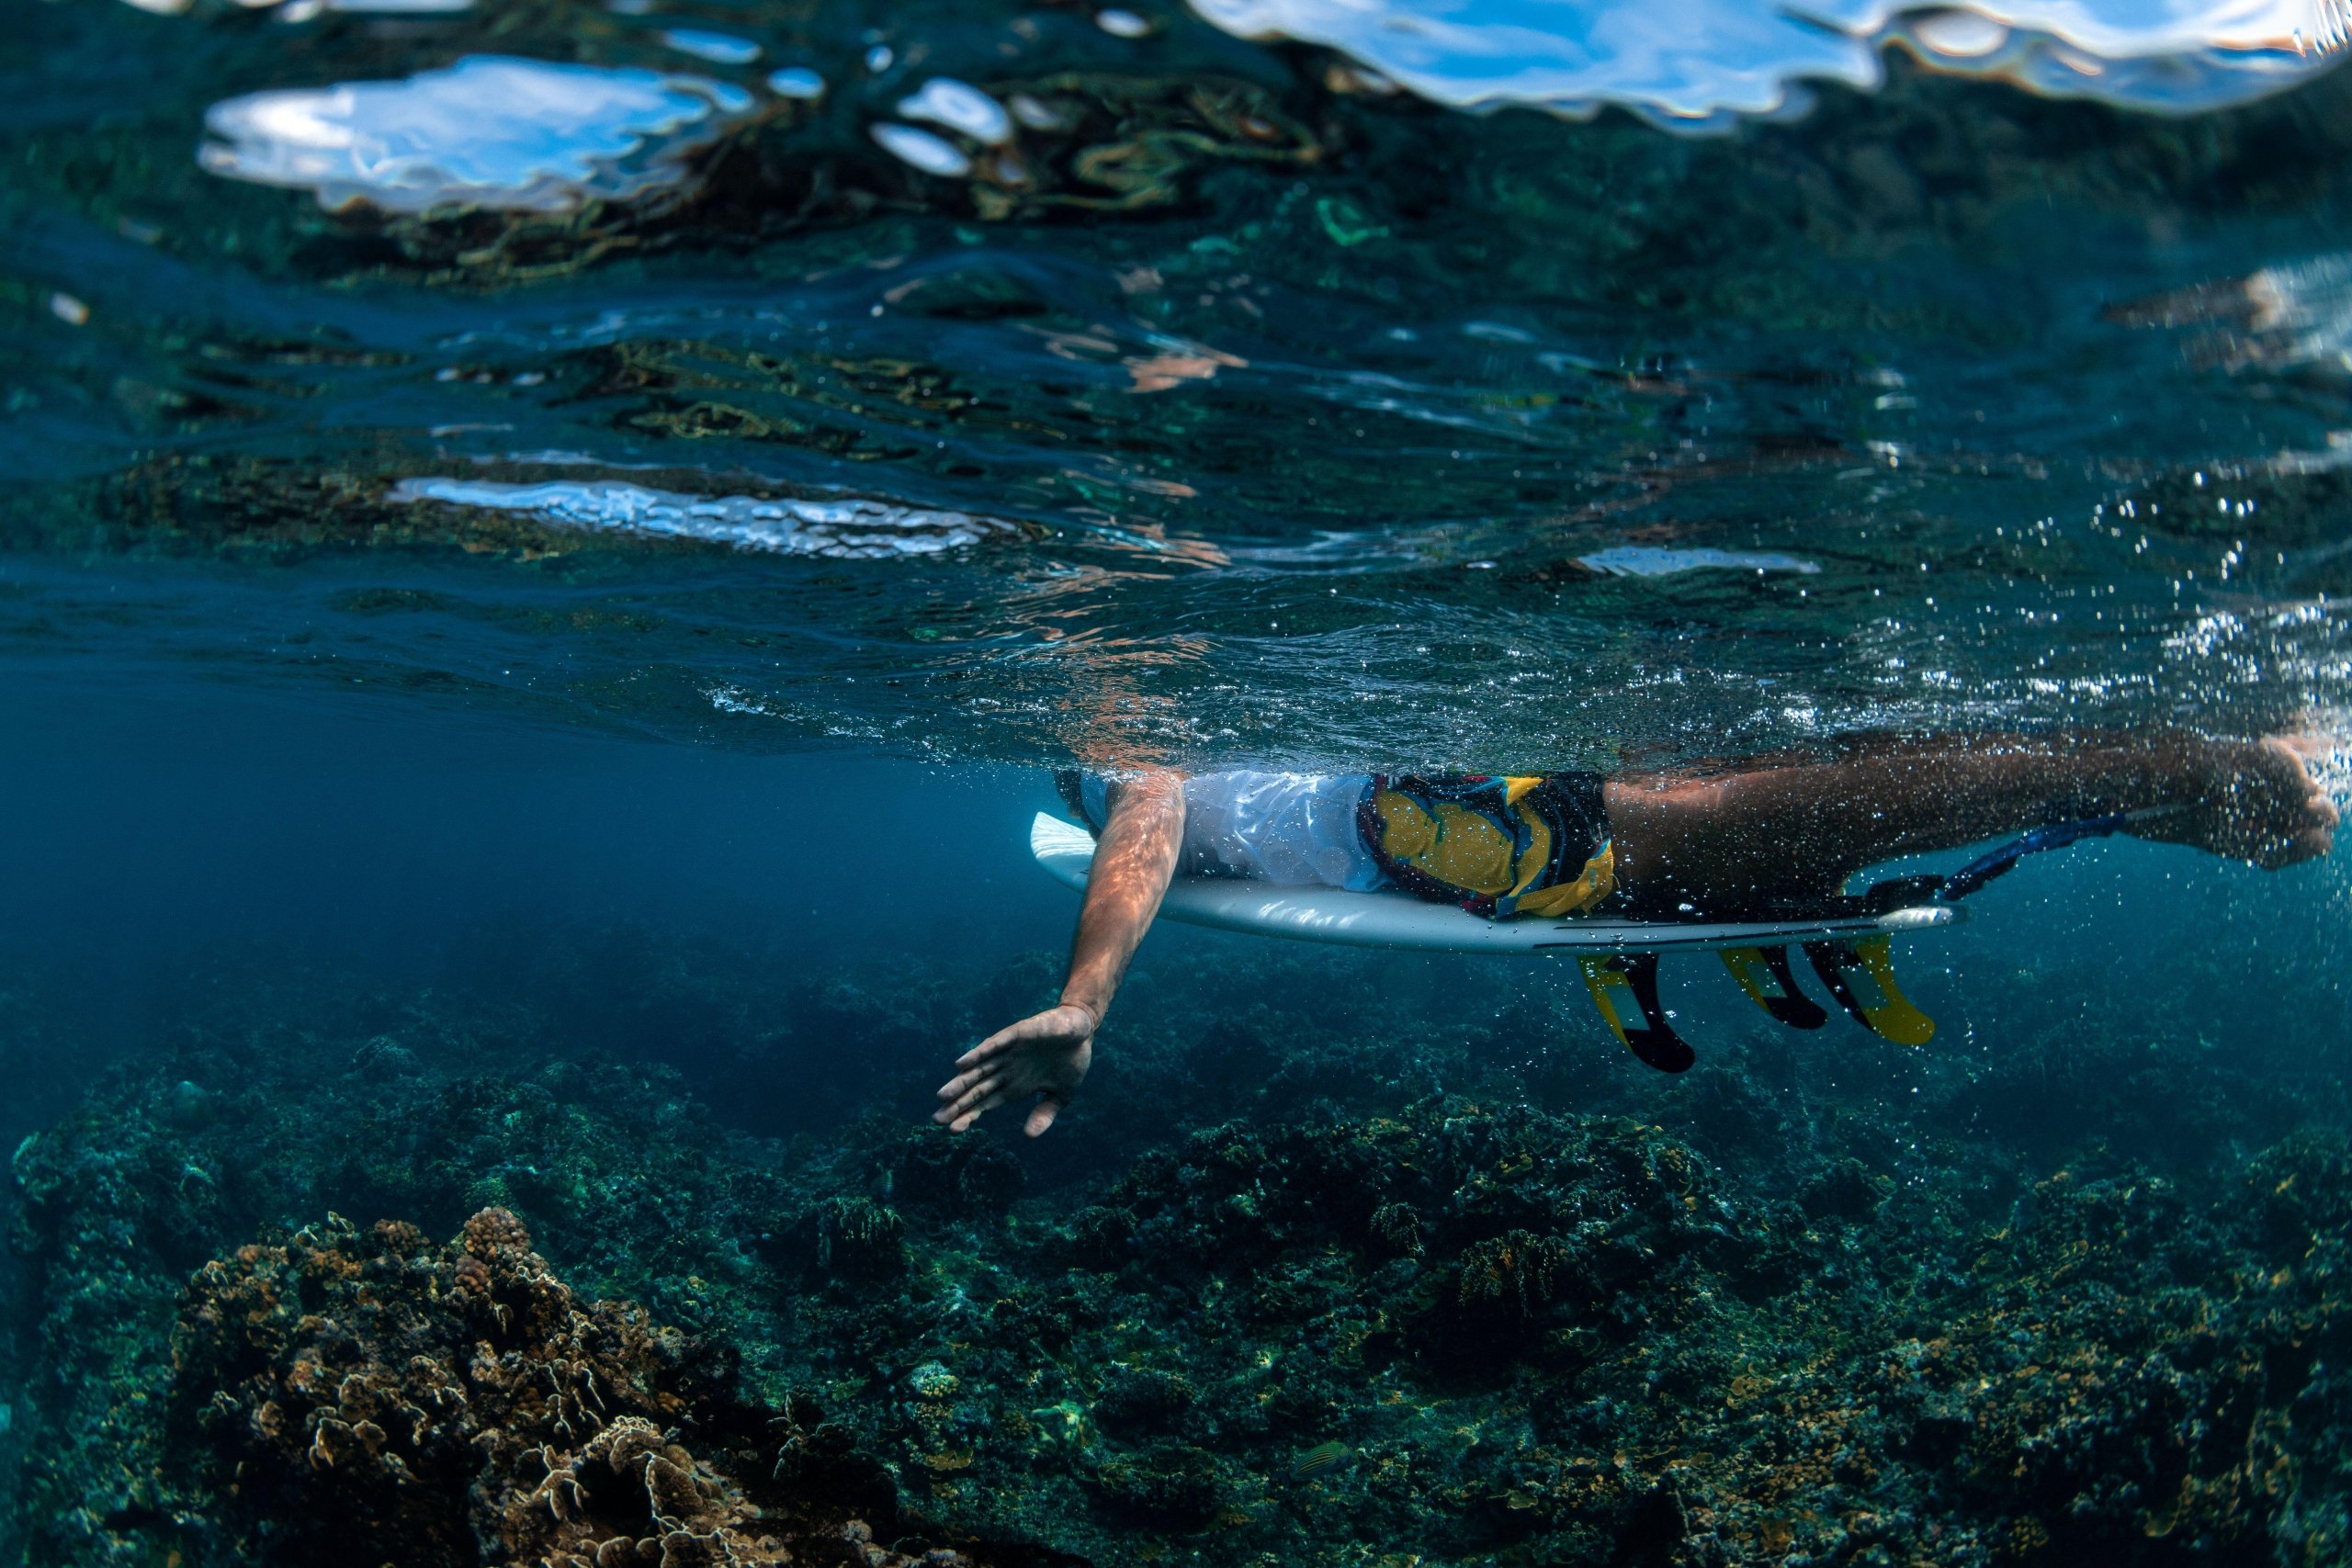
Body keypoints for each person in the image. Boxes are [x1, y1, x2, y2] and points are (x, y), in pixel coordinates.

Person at [935, 732, 2337, 1136]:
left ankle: (2180, 769)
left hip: (1568, 836)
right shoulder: (1212, 746)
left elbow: (1139, 838)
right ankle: (2168, 782)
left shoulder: (1153, 769)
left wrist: (1089, 999)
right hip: (1555, 828)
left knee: (1846, 812)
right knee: (1841, 822)